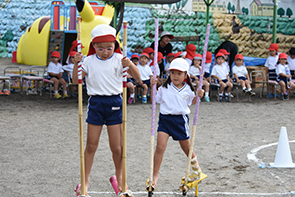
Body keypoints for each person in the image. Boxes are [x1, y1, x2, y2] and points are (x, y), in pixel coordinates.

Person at [72, 24, 140, 196]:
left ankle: (120, 180)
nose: (105, 51)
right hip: (96, 103)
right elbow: (75, 81)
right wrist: (76, 64)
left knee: (117, 147)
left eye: (109, 48)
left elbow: (138, 77)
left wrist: (129, 64)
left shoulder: (119, 59)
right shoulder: (88, 61)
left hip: (115, 103)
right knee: (91, 145)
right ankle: (85, 182)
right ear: (93, 46)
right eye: (100, 48)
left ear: (115, 46)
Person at [152, 58, 204, 188]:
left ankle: (197, 170)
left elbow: (190, 102)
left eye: (179, 73)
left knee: (187, 148)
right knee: (160, 147)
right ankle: (154, 176)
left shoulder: (187, 89)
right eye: (173, 73)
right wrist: (153, 86)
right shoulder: (164, 88)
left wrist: (199, 96)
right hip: (164, 120)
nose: (175, 76)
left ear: (185, 75)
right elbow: (155, 99)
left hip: (180, 120)